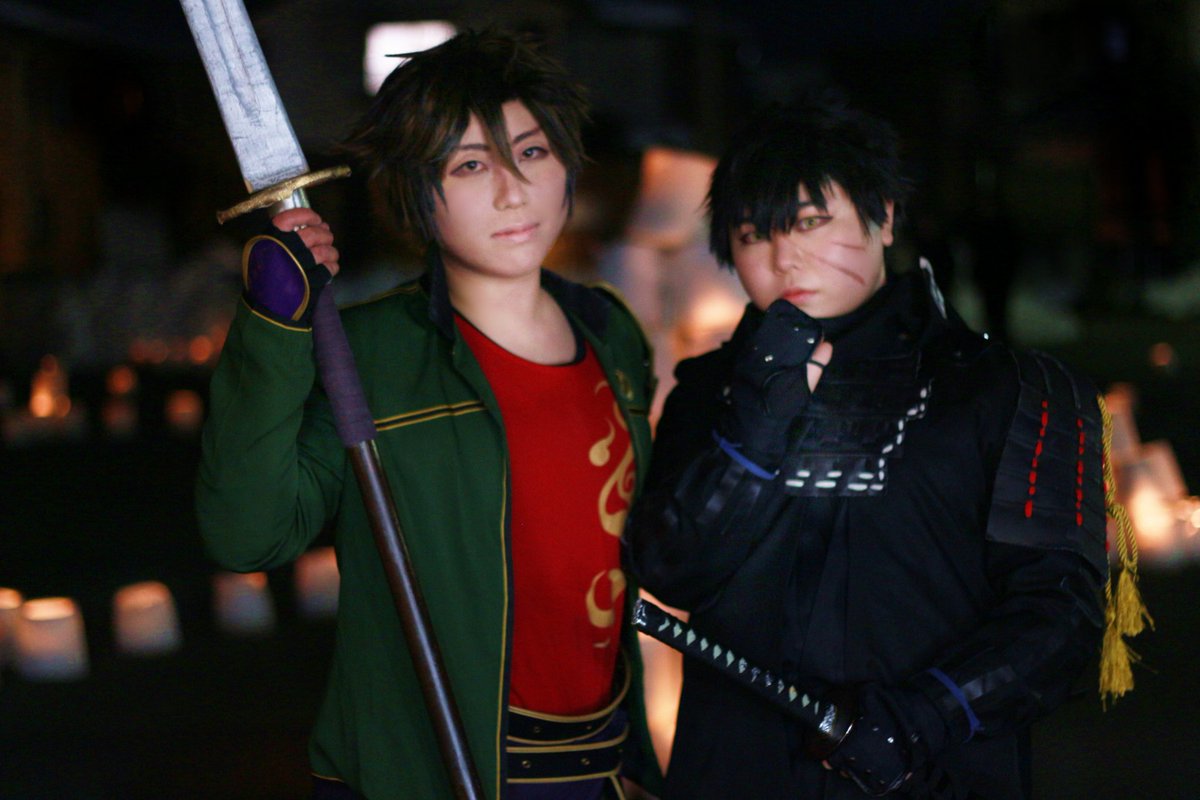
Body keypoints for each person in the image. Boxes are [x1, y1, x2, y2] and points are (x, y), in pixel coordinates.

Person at [196, 30, 661, 800]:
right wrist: (272, 329)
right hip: (434, 772)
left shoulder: (611, 334)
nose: (513, 191)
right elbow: (248, 532)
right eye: (470, 165)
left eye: (532, 152)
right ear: (417, 193)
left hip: (601, 766)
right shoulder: (371, 353)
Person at [627, 95, 1113, 798]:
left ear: (883, 216)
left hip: (934, 777)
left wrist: (924, 717)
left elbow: (1062, 613)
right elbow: (672, 570)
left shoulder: (1009, 388)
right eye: (753, 233)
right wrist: (756, 424)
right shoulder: (707, 390)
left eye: (810, 222)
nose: (783, 258)